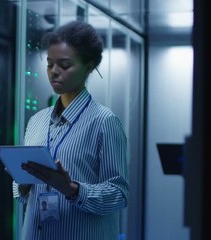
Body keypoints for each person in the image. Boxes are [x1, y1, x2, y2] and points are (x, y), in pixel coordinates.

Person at [12, 20, 129, 240]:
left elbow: (119, 194)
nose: (53, 72)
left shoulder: (105, 122)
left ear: (89, 66)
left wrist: (72, 190)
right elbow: (23, 195)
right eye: (49, 64)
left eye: (64, 65)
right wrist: (23, 183)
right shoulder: (37, 121)